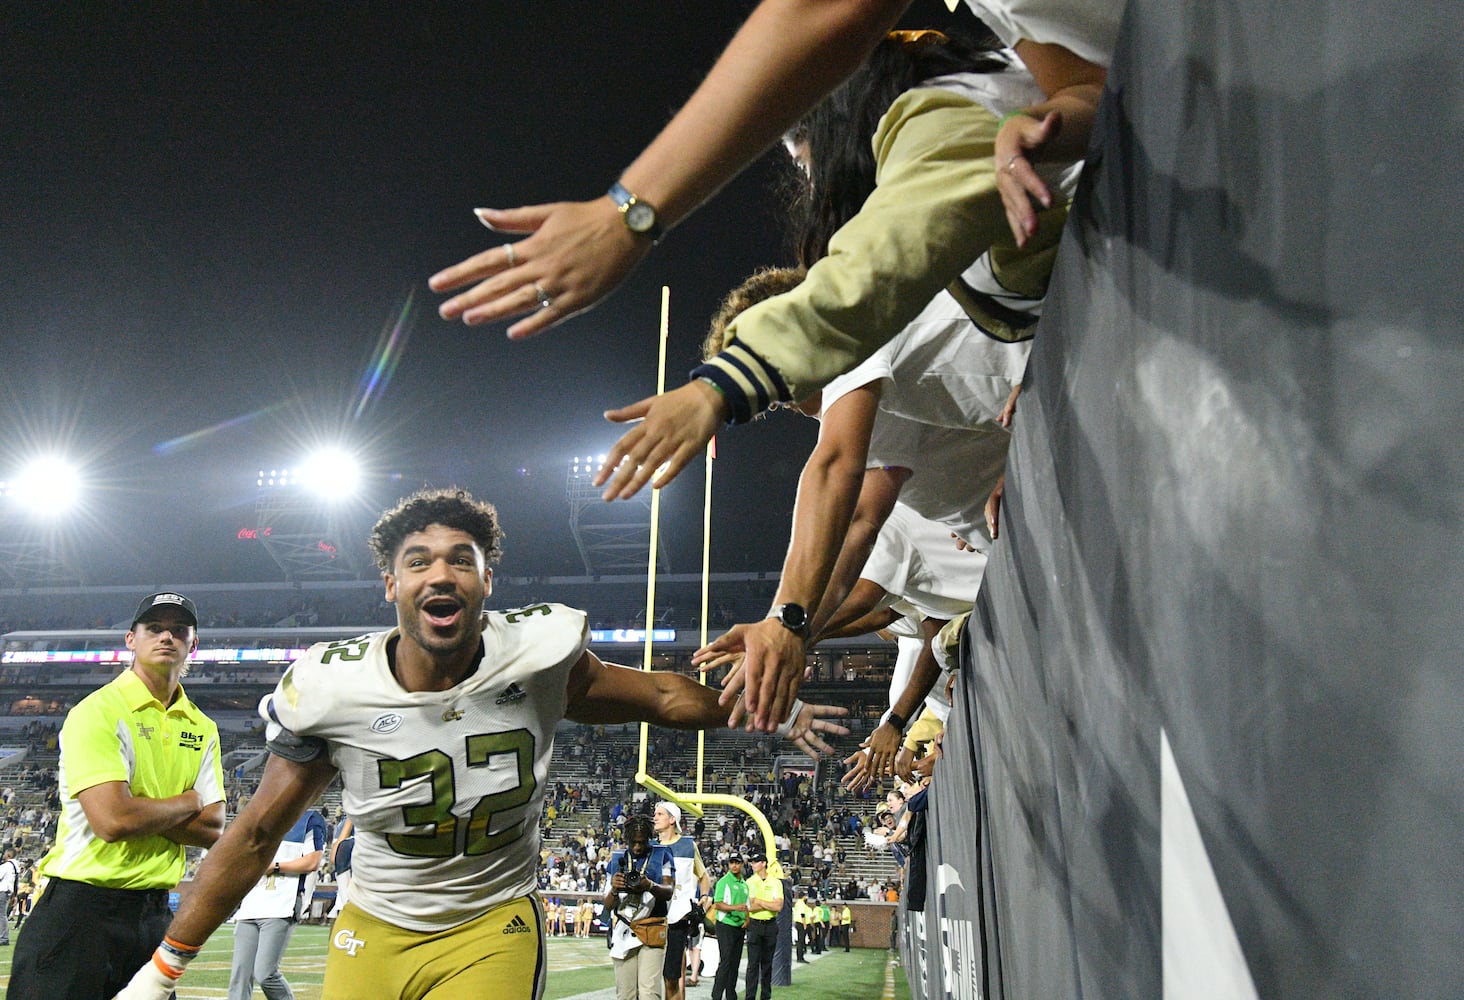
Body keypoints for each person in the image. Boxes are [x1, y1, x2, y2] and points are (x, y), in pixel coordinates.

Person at [115, 488, 847, 1000]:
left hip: (491, 921)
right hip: (374, 921)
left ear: (487, 579)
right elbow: (255, 833)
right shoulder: (332, 686)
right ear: (390, 584)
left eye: (461, 559)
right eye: (420, 560)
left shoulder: (536, 655)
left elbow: (658, 693)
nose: (441, 572)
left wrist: (770, 711)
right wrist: (164, 967)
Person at [428, 0, 1111, 337]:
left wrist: (630, 213)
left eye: (803, 154)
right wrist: (1042, 129)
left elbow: (823, 13)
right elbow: (1087, 86)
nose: (811, 182)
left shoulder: (929, 126)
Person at [7, 592, 225, 1000]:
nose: (166, 637)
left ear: (192, 645)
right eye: (154, 628)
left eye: (178, 630)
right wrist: (188, 802)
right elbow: (113, 821)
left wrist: (143, 809)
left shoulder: (203, 725)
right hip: (81, 910)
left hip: (154, 915)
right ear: (131, 639)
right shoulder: (99, 711)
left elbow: (213, 827)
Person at [227, 805, 327, 1000]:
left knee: (265, 974)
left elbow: (312, 862)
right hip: (252, 902)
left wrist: (275, 867)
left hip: (282, 903)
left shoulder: (309, 819)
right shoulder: (260, 818)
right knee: (240, 975)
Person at [605, 815, 673, 1000]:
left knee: (649, 993)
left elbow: (669, 891)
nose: (637, 847)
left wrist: (650, 885)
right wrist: (614, 889)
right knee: (625, 995)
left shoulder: (662, 854)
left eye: (642, 842)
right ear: (626, 839)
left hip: (651, 927)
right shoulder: (617, 859)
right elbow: (607, 905)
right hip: (624, 930)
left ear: (649, 838)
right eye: (633, 842)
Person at [654, 801, 711, 1000]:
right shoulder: (652, 847)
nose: (655, 817)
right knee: (654, 974)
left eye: (660, 814)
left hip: (678, 917)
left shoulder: (688, 845)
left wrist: (703, 897)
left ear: (672, 820)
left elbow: (703, 876)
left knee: (672, 976)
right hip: (653, 917)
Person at [743, 850, 784, 1000]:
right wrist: (768, 904)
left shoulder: (775, 882)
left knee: (767, 965)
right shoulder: (749, 882)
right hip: (755, 925)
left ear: (764, 863)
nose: (752, 865)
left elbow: (778, 906)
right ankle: (750, 997)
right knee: (753, 965)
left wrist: (759, 901)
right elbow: (748, 907)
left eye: (755, 862)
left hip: (770, 925)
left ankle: (765, 996)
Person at [709, 855, 749, 1000]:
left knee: (734, 962)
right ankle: (717, 995)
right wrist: (735, 908)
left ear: (741, 865)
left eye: (737, 863)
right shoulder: (724, 882)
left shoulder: (744, 884)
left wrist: (747, 919)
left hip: (739, 926)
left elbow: (746, 906)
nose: (734, 866)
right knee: (726, 961)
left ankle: (731, 994)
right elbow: (717, 903)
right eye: (732, 863)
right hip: (725, 924)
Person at [0, 850, 17, 946]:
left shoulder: (6, 866)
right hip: (7, 891)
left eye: (5, 853)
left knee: (1, 915)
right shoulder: (14, 866)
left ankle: (3, 937)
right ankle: (3, 936)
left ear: (9, 855)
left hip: (2, 891)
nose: (3, 855)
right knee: (2, 915)